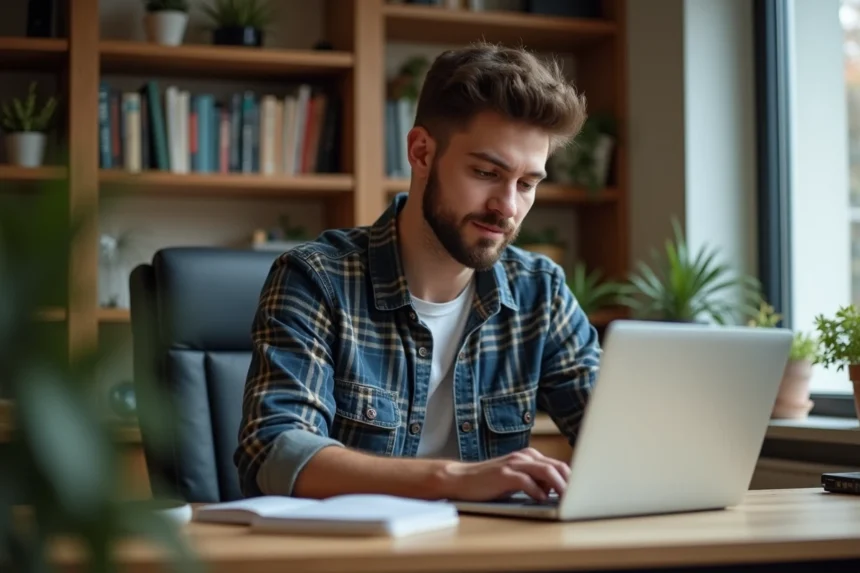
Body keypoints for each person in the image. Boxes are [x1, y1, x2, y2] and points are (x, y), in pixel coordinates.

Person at [234, 41, 601, 503]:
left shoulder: (540, 293)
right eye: (487, 172)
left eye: (527, 184)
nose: (508, 207)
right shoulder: (317, 278)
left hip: (494, 552)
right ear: (422, 152)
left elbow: (617, 436)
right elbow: (274, 453)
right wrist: (451, 480)